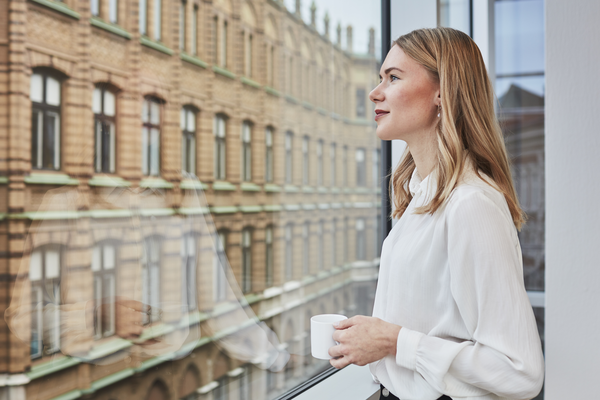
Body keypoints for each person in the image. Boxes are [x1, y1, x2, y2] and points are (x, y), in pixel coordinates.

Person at [328, 28, 544, 400]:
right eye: (380, 78)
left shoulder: (469, 205)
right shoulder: (419, 198)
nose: (375, 91)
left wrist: (395, 341)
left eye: (393, 78)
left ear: (443, 91)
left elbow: (520, 372)